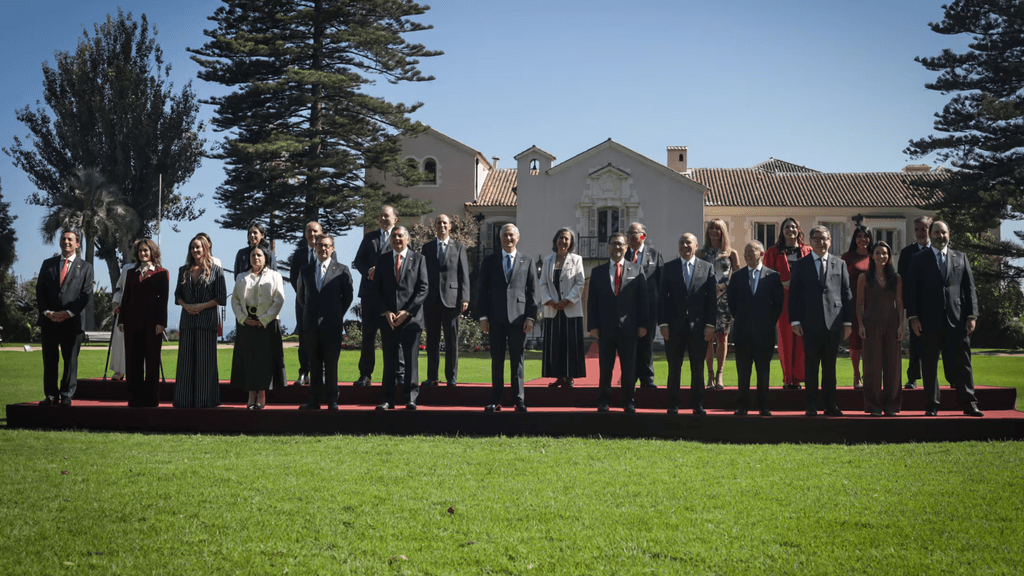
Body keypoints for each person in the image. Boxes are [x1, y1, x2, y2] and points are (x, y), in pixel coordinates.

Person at [906, 220, 983, 417]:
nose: (941, 236)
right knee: (929, 364)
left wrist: (972, 315)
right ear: (930, 235)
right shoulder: (918, 259)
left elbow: (969, 288)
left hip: (957, 321)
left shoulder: (961, 257)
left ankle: (969, 403)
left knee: (963, 364)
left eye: (944, 232)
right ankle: (932, 404)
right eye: (937, 233)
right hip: (928, 322)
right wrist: (913, 317)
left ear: (949, 234)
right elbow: (911, 291)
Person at [789, 225, 853, 417]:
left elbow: (846, 293)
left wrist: (848, 323)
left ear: (830, 241)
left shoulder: (839, 264)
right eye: (816, 239)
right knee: (811, 368)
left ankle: (831, 405)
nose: (821, 242)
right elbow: (793, 296)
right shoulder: (801, 265)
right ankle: (811, 405)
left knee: (830, 369)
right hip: (809, 324)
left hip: (833, 324)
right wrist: (795, 322)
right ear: (810, 242)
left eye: (824, 239)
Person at [479, 224, 539, 412]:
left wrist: (531, 317)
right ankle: (496, 399)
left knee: (517, 360)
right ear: (500, 238)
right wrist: (483, 316)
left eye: (511, 235)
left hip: (518, 319)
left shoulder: (527, 261)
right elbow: (482, 290)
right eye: (504, 235)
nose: (508, 238)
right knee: (497, 360)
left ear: (518, 238)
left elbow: (533, 293)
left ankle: (519, 400)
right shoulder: (489, 261)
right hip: (495, 318)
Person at [587, 232, 647, 412]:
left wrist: (643, 324)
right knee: (605, 367)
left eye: (620, 244)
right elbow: (592, 301)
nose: (617, 248)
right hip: (606, 328)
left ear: (626, 247)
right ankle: (603, 401)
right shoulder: (597, 272)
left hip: (629, 328)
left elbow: (642, 300)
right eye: (613, 244)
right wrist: (592, 325)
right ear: (608, 247)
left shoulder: (637, 270)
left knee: (629, 368)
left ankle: (629, 401)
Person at [659, 233, 716, 415]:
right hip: (674, 327)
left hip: (699, 328)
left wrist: (710, 325)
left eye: (688, 242)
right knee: (674, 367)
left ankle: (697, 404)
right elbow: (662, 299)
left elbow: (711, 301)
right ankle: (673, 404)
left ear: (696, 245)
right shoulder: (668, 268)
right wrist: (663, 324)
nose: (685, 245)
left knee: (697, 368)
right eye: (681, 242)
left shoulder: (707, 268)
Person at [36, 229, 94, 407]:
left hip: (72, 323)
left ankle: (66, 395)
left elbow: (85, 295)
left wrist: (67, 313)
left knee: (70, 361)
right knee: (50, 361)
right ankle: (51, 395)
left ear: (77, 244)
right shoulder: (48, 264)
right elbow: (40, 291)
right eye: (63, 239)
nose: (66, 241)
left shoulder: (86, 267)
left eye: (70, 239)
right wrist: (48, 312)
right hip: (49, 322)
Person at [374, 226, 429, 410]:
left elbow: (423, 289)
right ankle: (387, 399)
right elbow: (376, 290)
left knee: (411, 360)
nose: (397, 239)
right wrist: (386, 311)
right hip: (389, 320)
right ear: (390, 240)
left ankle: (410, 398)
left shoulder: (419, 259)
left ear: (407, 238)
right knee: (389, 361)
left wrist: (407, 312)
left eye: (400, 236)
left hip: (411, 320)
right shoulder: (382, 261)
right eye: (394, 236)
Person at [297, 235, 354, 410]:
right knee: (314, 363)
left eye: (327, 246)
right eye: (320, 245)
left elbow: (348, 297)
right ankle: (314, 400)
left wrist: (336, 314)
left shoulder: (342, 270)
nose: (323, 249)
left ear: (332, 249)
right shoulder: (305, 270)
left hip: (332, 324)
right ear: (315, 247)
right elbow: (301, 297)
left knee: (331, 363)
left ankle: (332, 400)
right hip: (311, 324)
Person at [727, 241, 783, 416]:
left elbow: (778, 305)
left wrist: (766, 322)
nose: (748, 255)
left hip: (764, 333)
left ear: (762, 253)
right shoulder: (737, 277)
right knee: (743, 372)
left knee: (763, 372)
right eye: (746, 252)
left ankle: (763, 406)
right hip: (742, 332)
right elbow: (732, 304)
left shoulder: (773, 277)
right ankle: (742, 406)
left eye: (752, 251)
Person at [173, 235, 228, 408]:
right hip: (188, 322)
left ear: (206, 248)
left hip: (207, 322)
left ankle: (205, 401)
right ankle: (184, 401)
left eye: (198, 247)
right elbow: (177, 296)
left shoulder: (217, 270)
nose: (195, 250)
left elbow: (221, 297)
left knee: (205, 364)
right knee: (185, 364)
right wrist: (187, 306)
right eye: (193, 247)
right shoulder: (183, 269)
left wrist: (202, 306)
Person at [230, 246, 287, 409]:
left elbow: (279, 300)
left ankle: (261, 393)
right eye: (253, 255)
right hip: (246, 324)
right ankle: (251, 394)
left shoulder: (275, 276)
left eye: (259, 255)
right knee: (249, 361)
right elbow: (234, 300)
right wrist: (243, 318)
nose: (256, 257)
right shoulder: (241, 277)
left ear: (265, 258)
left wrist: (263, 319)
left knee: (264, 361)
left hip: (267, 325)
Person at [117, 239, 169, 408]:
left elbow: (164, 300)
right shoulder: (132, 273)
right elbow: (126, 297)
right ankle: (134, 399)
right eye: (140, 251)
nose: (143, 253)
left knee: (152, 362)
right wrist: (121, 320)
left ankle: (152, 399)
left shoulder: (162, 273)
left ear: (153, 252)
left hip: (153, 325)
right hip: (132, 324)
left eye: (146, 250)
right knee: (133, 363)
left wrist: (162, 323)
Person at [352, 205, 400, 386]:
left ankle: (396, 374)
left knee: (393, 337)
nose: (382, 219)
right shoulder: (369, 238)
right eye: (380, 216)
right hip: (370, 294)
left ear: (395, 219)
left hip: (390, 296)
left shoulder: (399, 238)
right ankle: (365, 374)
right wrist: (367, 271)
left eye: (386, 216)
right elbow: (358, 260)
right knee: (368, 336)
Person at [763, 217, 813, 389]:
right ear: (782, 231)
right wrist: (780, 284)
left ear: (798, 230)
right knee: (785, 339)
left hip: (804, 301)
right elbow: (766, 275)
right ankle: (788, 379)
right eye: (787, 227)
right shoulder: (773, 251)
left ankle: (799, 379)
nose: (790, 230)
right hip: (783, 300)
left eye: (793, 227)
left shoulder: (808, 250)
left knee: (801, 339)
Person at [421, 214, 470, 387]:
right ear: (435, 226)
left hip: (452, 300)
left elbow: (464, 274)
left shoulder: (459, 247)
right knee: (432, 340)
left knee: (452, 341)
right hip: (431, 300)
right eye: (438, 222)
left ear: (450, 227)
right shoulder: (426, 248)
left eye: (444, 223)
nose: (441, 225)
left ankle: (451, 377)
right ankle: (432, 376)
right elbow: (422, 274)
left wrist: (465, 297)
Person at [856, 241, 904, 416]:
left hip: (892, 325)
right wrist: (860, 324)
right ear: (872, 256)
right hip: (870, 325)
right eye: (877, 253)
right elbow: (860, 304)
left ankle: (892, 406)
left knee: (893, 365)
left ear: (889, 256)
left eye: (884, 253)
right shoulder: (864, 277)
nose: (881, 256)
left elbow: (899, 304)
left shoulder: (896, 278)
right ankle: (874, 406)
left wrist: (901, 326)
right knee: (872, 367)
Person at [540, 227, 586, 388]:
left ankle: (570, 376)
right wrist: (550, 301)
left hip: (571, 309)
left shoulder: (577, 260)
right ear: (556, 240)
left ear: (571, 242)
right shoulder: (547, 261)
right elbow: (543, 283)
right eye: (560, 238)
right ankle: (559, 376)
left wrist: (567, 300)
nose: (563, 241)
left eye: (567, 239)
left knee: (570, 344)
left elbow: (580, 283)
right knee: (555, 344)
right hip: (552, 310)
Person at [701, 218, 740, 390]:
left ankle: (720, 375)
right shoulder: (701, 253)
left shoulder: (731, 253)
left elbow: (738, 278)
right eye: (710, 228)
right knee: (708, 338)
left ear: (722, 231)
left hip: (724, 300)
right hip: (707, 300)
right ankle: (709, 375)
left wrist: (724, 285)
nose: (713, 231)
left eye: (717, 229)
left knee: (722, 338)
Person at [624, 222, 664, 389]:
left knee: (647, 343)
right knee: (630, 345)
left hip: (649, 308)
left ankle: (647, 378)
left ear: (643, 236)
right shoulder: (623, 255)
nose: (632, 237)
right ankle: (630, 377)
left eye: (636, 234)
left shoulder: (655, 255)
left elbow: (661, 283)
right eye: (629, 234)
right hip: (628, 309)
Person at [897, 216, 932, 390]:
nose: (920, 233)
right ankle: (912, 379)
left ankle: (952, 378)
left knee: (943, 344)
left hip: (937, 306)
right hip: (915, 307)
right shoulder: (906, 253)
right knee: (915, 344)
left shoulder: (940, 251)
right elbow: (902, 281)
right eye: (917, 229)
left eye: (924, 229)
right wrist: (908, 309)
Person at [289, 221, 325, 387]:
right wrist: (304, 297)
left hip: (323, 305)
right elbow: (293, 278)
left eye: (316, 231)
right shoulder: (299, 254)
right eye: (309, 232)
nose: (313, 235)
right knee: (304, 339)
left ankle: (322, 373)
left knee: (322, 338)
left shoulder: (329, 252)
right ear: (305, 235)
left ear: (321, 233)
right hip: (303, 304)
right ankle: (304, 373)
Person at [841, 225, 873, 390]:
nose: (863, 239)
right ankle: (856, 375)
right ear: (855, 239)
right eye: (859, 236)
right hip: (853, 304)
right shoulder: (847, 258)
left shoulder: (875, 256)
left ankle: (869, 375)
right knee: (855, 342)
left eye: (866, 236)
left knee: (870, 342)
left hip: (872, 304)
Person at [109, 257, 136, 381]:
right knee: (120, 341)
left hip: (144, 311)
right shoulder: (127, 268)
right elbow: (119, 288)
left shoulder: (154, 268)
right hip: (125, 310)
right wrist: (115, 303)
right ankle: (119, 371)